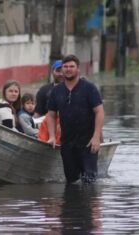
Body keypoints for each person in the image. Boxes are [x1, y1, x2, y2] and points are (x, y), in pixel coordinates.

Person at [47, 55, 104, 184]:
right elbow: (51, 114)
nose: (68, 69)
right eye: (65, 67)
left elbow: (99, 111)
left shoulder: (89, 88)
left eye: (71, 66)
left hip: (88, 142)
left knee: (89, 182)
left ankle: (90, 202)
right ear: (62, 70)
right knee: (71, 182)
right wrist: (52, 136)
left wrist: (96, 137)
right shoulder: (56, 91)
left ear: (78, 69)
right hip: (67, 143)